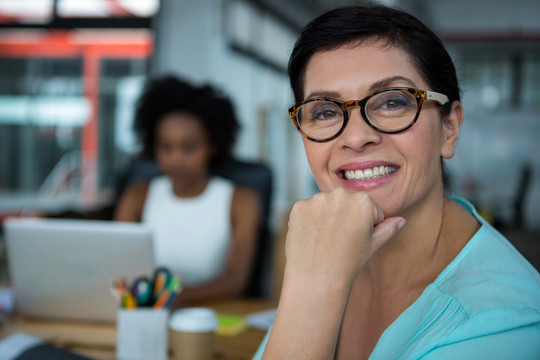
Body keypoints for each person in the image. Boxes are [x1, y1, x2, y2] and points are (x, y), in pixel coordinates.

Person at [254, 5, 540, 359]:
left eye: (392, 103)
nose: (356, 138)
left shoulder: (504, 323)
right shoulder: (331, 253)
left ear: (449, 128)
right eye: (325, 111)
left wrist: (312, 287)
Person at [114, 75, 260, 305]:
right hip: (146, 314)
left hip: (211, 318)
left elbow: (235, 280)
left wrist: (167, 298)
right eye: (165, 147)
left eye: (189, 148)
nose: (176, 159)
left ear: (212, 145)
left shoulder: (241, 200)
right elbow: (118, 267)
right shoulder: (137, 195)